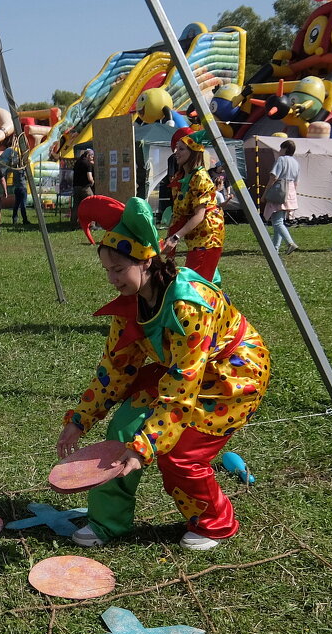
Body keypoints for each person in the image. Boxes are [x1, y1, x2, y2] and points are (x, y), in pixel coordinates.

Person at [59, 195, 270, 550]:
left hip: (232, 374)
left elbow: (181, 388)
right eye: (107, 270)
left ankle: (215, 523)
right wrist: (79, 420)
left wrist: (145, 446)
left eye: (118, 270)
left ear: (145, 261)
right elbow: (115, 368)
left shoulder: (188, 304)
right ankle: (108, 521)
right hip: (179, 367)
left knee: (180, 455)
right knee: (122, 429)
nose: (111, 279)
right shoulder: (129, 304)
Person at [162, 128, 225, 281]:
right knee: (197, 280)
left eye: (181, 149)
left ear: (194, 151)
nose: (176, 152)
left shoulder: (200, 177)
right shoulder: (182, 177)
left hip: (208, 237)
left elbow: (199, 215)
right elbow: (179, 212)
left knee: (196, 283)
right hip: (196, 238)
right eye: (176, 148)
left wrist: (175, 237)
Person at [262, 139, 300, 255]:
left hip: (280, 191)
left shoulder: (281, 160)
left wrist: (265, 193)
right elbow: (296, 181)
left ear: (285, 149)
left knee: (277, 222)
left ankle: (290, 243)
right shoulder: (296, 162)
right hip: (290, 191)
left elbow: (273, 177)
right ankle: (275, 248)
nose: (279, 151)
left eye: (281, 148)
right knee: (279, 221)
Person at [71, 148, 95, 224]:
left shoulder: (77, 162)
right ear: (88, 155)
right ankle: (91, 224)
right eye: (92, 156)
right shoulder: (87, 164)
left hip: (76, 187)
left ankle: (74, 222)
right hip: (85, 187)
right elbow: (89, 177)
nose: (92, 157)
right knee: (92, 203)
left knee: (76, 205)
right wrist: (92, 182)